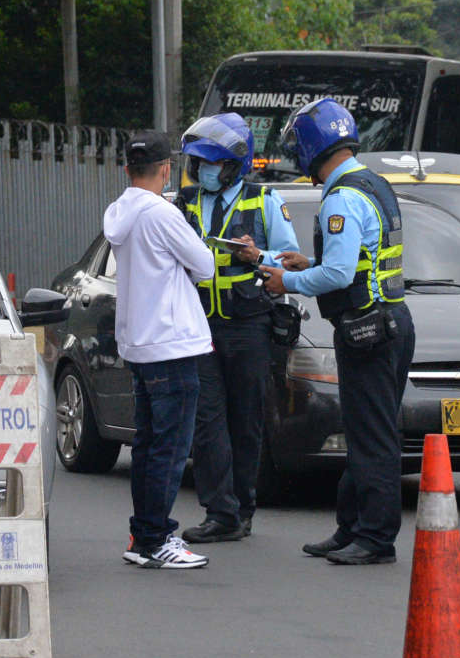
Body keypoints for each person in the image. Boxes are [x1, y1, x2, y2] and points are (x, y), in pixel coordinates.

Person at [260, 98, 414, 565]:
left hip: (368, 330)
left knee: (373, 438)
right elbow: (359, 261)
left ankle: (375, 538)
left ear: (311, 148)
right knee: (364, 431)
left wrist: (288, 281)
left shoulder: (341, 196)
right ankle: (351, 527)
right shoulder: (374, 184)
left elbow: (341, 275)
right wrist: (310, 263)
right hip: (389, 322)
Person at [173, 113, 300, 544]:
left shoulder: (262, 199)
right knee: (207, 421)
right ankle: (219, 512)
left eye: (213, 164)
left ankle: (243, 509)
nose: (204, 171)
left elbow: (289, 259)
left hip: (249, 325)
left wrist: (257, 255)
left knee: (245, 420)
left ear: (234, 165)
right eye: (200, 164)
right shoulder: (184, 202)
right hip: (199, 325)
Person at [104, 130, 214, 569]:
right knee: (168, 448)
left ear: (127, 169)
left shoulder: (119, 212)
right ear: (167, 169)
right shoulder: (162, 214)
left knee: (149, 446)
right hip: (172, 342)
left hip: (140, 342)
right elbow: (204, 265)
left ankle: (143, 535)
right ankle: (156, 539)